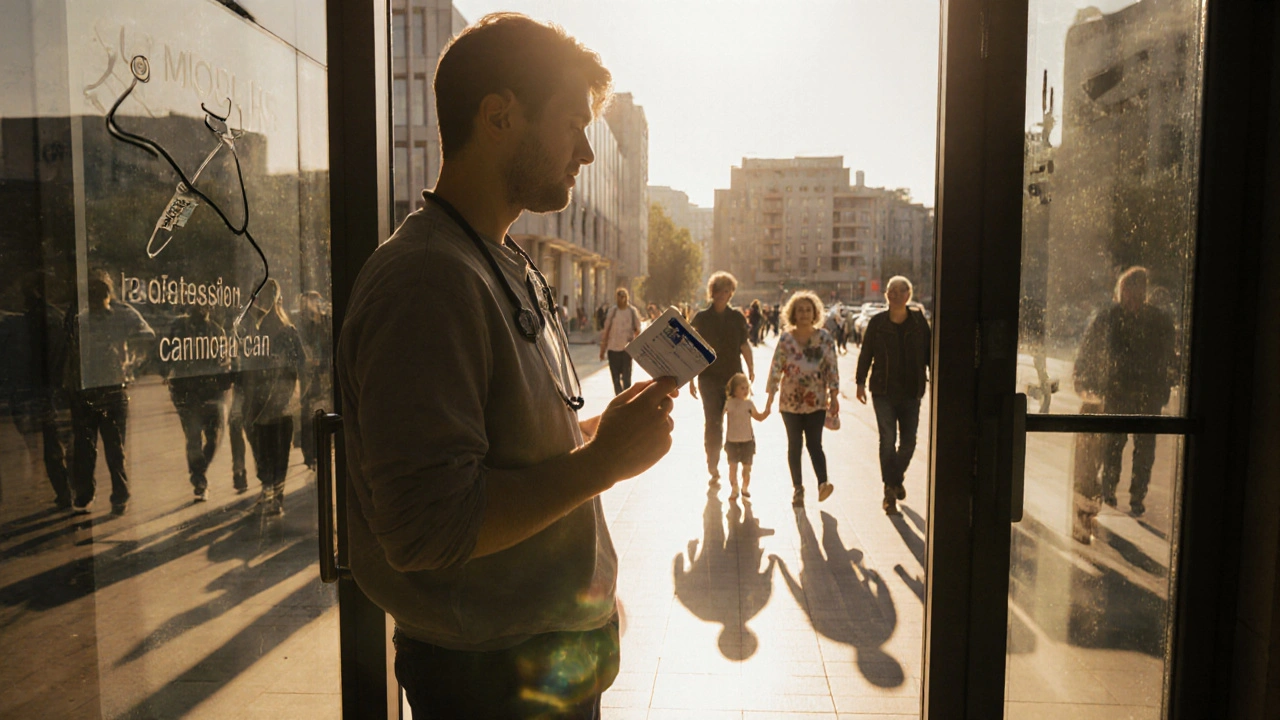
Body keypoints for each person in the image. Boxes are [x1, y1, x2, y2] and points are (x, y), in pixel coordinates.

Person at [336, 14, 678, 718]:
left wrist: (598, 436)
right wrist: (602, 462)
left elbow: (507, 453)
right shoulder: (428, 280)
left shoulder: (498, 260)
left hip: (535, 659)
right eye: (573, 125)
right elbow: (430, 527)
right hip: (488, 682)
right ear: (498, 116)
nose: (585, 152)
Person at [1072, 266, 1176, 517]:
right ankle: (1112, 491)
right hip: (1121, 392)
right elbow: (1089, 349)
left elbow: (1169, 358)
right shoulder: (1111, 318)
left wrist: (1164, 385)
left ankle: (1135, 495)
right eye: (1128, 291)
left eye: (1136, 290)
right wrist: (1084, 378)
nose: (1131, 297)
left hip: (1141, 394)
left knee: (1141, 449)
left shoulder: (1154, 321)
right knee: (1114, 445)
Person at [68, 269, 155, 515]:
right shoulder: (85, 319)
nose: (97, 297)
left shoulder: (120, 315)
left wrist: (131, 363)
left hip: (110, 389)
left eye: (100, 292)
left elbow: (148, 337)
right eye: (93, 293)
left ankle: (113, 495)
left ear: (108, 293)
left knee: (110, 449)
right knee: (93, 448)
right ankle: (95, 495)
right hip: (94, 390)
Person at [855, 276, 931, 516]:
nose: (896, 294)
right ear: (886, 294)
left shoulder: (919, 322)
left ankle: (894, 479)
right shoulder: (877, 323)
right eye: (892, 291)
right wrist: (859, 382)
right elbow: (866, 353)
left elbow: (930, 352)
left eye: (900, 291)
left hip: (911, 391)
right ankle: (890, 492)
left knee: (909, 442)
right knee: (887, 439)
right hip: (883, 390)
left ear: (908, 295)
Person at [0, 273, 72, 508]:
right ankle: (67, 490)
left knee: (43, 445)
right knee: (54, 442)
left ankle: (62, 490)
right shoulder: (57, 318)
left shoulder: (24, 323)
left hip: (35, 389)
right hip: (52, 389)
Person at [240, 279, 308, 516]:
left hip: (279, 404)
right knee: (264, 449)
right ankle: (269, 491)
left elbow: (302, 365)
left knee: (276, 452)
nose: (257, 303)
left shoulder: (287, 332)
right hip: (260, 403)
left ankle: (275, 496)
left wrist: (297, 397)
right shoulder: (253, 329)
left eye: (261, 297)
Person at [765, 290, 839, 506]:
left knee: (815, 443)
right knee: (794, 444)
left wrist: (834, 396)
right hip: (790, 401)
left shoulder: (825, 338)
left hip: (816, 400)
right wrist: (770, 398)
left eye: (808, 310)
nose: (804, 314)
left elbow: (832, 368)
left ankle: (823, 483)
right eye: (800, 310)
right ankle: (797, 488)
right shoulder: (786, 339)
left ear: (815, 313)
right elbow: (776, 368)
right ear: (793, 314)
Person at [164, 304, 231, 503]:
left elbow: (224, 360)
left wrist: (224, 380)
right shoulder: (178, 327)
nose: (202, 307)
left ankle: (198, 472)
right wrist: (169, 375)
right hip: (187, 391)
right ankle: (199, 479)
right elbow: (165, 354)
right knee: (193, 438)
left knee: (214, 438)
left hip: (211, 391)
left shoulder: (216, 330)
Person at [691, 272, 754, 483]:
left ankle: (734, 463)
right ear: (712, 292)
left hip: (733, 378)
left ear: (731, 293)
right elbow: (691, 350)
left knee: (737, 421)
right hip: (708, 377)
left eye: (726, 291)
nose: (721, 294)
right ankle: (713, 463)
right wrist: (690, 379)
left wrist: (751, 368)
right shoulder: (701, 318)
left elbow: (744, 345)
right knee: (713, 422)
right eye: (718, 290)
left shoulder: (737, 318)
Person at [723, 372, 769, 500]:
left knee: (747, 469)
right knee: (732, 469)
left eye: (746, 388)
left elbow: (758, 417)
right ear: (734, 389)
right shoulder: (729, 403)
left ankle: (744, 488)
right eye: (742, 388)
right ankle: (734, 489)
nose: (745, 391)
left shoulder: (749, 404)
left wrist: (766, 411)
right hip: (732, 441)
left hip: (747, 441)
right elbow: (719, 416)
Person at [599, 287, 643, 395]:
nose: (622, 299)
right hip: (613, 350)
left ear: (627, 297)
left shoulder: (632, 311)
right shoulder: (613, 311)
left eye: (623, 296)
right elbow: (606, 330)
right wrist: (602, 349)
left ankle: (626, 399)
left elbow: (638, 329)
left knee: (627, 379)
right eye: (620, 297)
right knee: (616, 379)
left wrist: (635, 344)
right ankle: (619, 398)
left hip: (626, 351)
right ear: (617, 298)